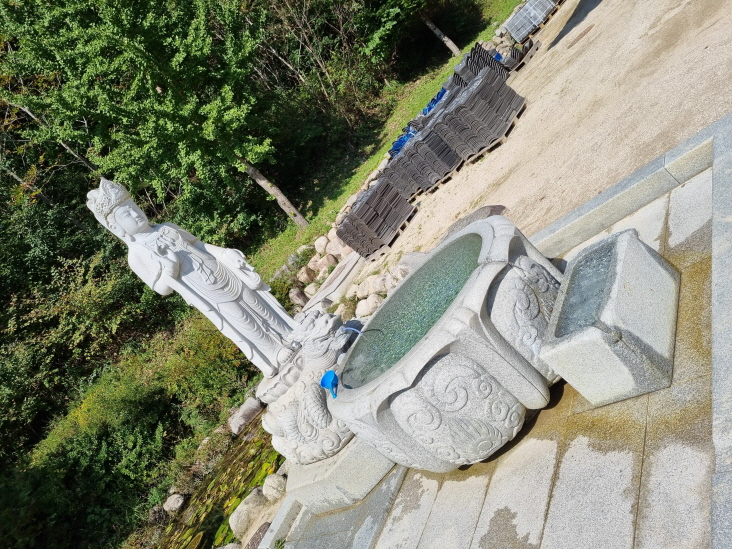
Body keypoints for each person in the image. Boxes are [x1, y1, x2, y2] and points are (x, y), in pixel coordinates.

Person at [87, 178, 297, 378]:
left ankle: (288, 332)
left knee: (256, 304)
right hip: (205, 291)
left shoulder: (167, 227)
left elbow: (200, 245)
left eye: (134, 207)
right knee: (243, 320)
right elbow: (162, 289)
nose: (135, 214)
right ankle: (274, 352)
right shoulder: (136, 255)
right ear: (116, 227)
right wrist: (170, 267)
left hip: (219, 270)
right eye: (127, 214)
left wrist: (225, 253)